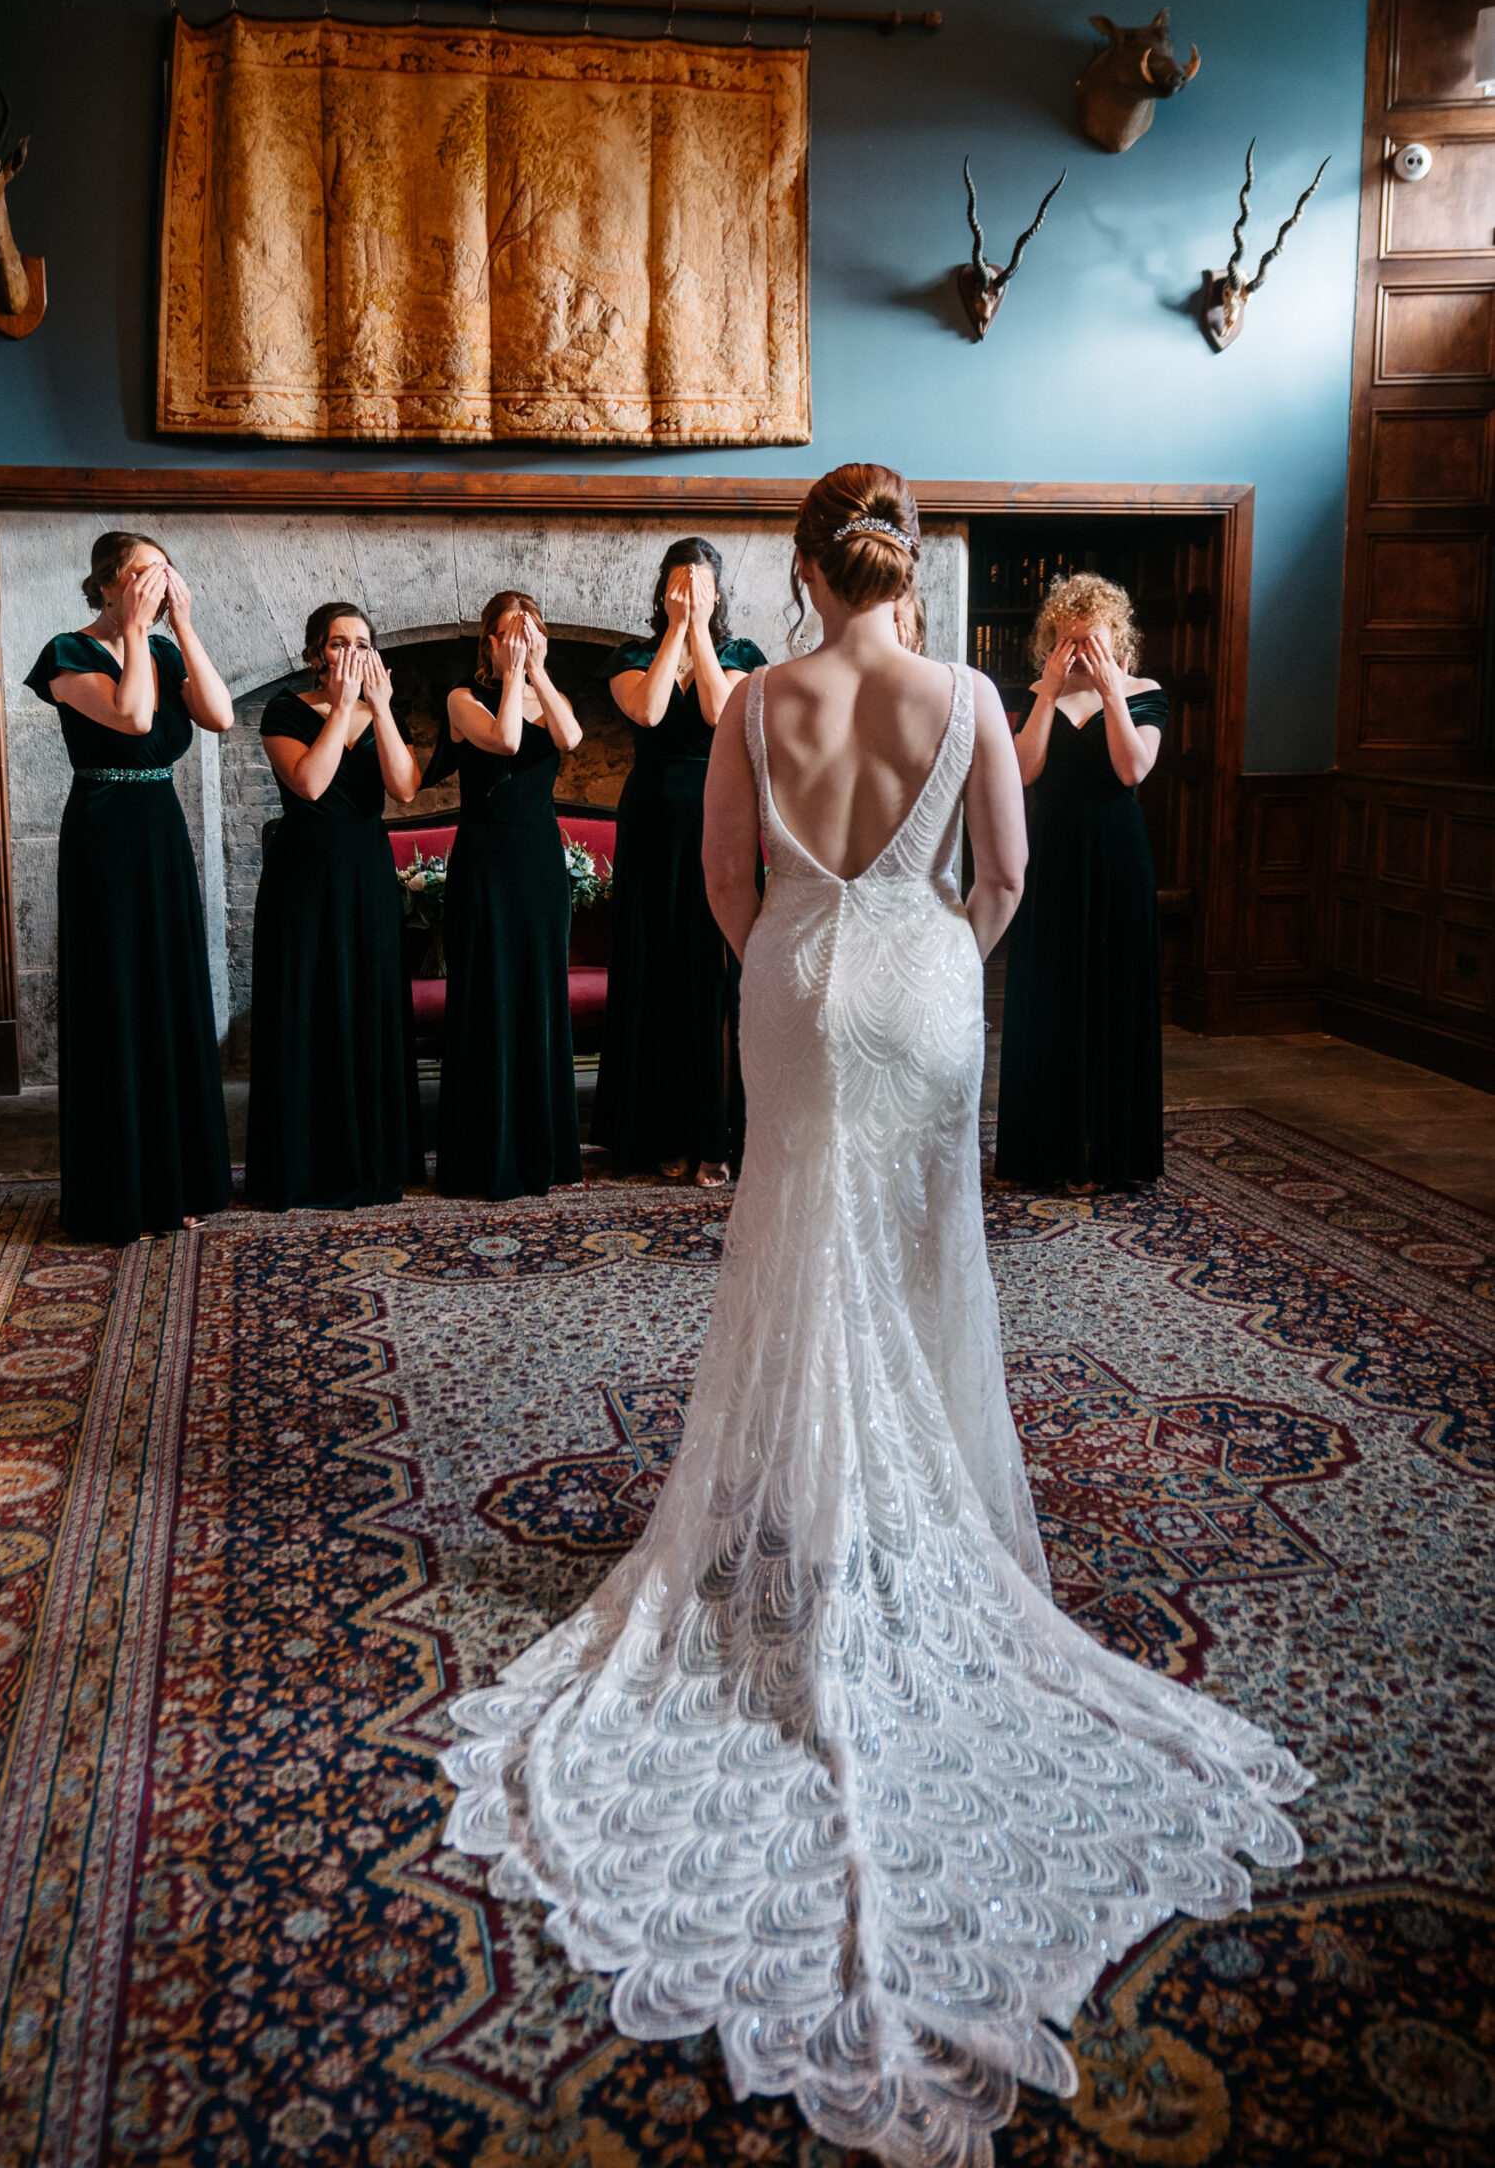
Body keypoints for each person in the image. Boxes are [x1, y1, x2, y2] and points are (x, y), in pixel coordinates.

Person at [443, 465, 1307, 2166]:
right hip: (921, 983)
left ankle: (807, 1510)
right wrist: (926, 957)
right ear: (905, 567)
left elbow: (711, 880)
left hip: (791, 982)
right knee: (918, 1258)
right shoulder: (971, 693)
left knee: (783, 1236)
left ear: (797, 566)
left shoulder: (762, 695)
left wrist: (800, 956)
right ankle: (904, 1527)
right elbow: (1002, 875)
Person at [24, 531, 233, 1245]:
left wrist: (182, 624)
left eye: (165, 571)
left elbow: (219, 716)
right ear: (108, 584)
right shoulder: (65, 653)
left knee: (168, 990)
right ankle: (123, 1193)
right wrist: (139, 631)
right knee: (119, 994)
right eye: (145, 573)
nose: (158, 581)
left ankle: (183, 1180)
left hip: (160, 829)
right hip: (105, 834)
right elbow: (135, 717)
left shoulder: (168, 647)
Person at [592, 540, 766, 1185]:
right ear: (662, 591)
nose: (690, 595)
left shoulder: (744, 657)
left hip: (721, 817)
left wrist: (699, 633)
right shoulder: (630, 656)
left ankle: (716, 1137)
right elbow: (650, 709)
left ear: (719, 593)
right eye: (678, 585)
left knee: (716, 974)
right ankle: (659, 1131)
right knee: (658, 969)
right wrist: (676, 631)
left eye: (700, 586)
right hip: (652, 825)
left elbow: (722, 715)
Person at [245, 602, 423, 1210]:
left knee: (367, 1006)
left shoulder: (380, 715)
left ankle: (376, 1159)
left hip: (368, 875)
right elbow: (312, 783)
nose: (352, 651)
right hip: (304, 880)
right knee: (310, 1006)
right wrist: (345, 705)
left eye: (363, 642)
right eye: (340, 642)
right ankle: (305, 1166)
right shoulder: (284, 710)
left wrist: (383, 710)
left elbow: (403, 787)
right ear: (317, 652)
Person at [995, 572, 1169, 1190]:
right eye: (1068, 643)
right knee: (1048, 992)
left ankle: (1106, 1154)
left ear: (1116, 640)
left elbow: (1132, 769)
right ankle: (1038, 1152)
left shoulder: (1145, 692)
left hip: (1117, 852)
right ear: (1052, 641)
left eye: (1091, 642)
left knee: (1111, 991)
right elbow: (1020, 772)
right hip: (1052, 850)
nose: (1079, 655)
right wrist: (1047, 692)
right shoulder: (1039, 690)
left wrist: (1110, 690)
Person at [435, 592, 584, 1200]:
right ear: (488, 643)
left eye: (531, 631)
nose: (522, 639)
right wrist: (514, 673)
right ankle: (484, 1156)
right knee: (487, 995)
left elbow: (569, 737)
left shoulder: (550, 697)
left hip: (538, 863)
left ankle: (542, 1151)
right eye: (510, 632)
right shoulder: (462, 699)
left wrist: (538, 672)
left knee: (538, 995)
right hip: (486, 862)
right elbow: (505, 741)